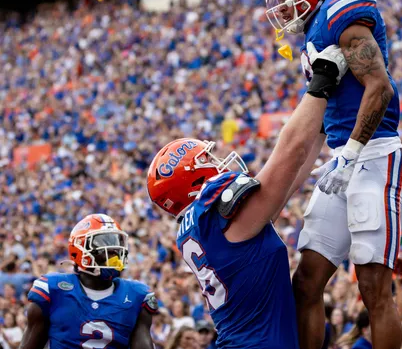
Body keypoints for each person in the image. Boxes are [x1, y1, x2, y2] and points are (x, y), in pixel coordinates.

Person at [146, 44, 348, 349]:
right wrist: (322, 79)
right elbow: (289, 155)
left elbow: (290, 179)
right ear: (190, 181)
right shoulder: (216, 213)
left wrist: (321, 124)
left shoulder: (208, 225)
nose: (217, 162)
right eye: (206, 160)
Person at [264, 0, 402, 349]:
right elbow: (315, 130)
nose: (282, 4)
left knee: (372, 287)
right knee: (306, 281)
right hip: (341, 160)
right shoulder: (316, 33)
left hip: (376, 155)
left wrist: (349, 151)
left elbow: (379, 87)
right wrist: (277, 197)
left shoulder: (342, 13)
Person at [19, 214, 156, 349]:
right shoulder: (52, 290)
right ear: (79, 250)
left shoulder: (137, 296)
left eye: (116, 242)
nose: (114, 250)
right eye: (105, 243)